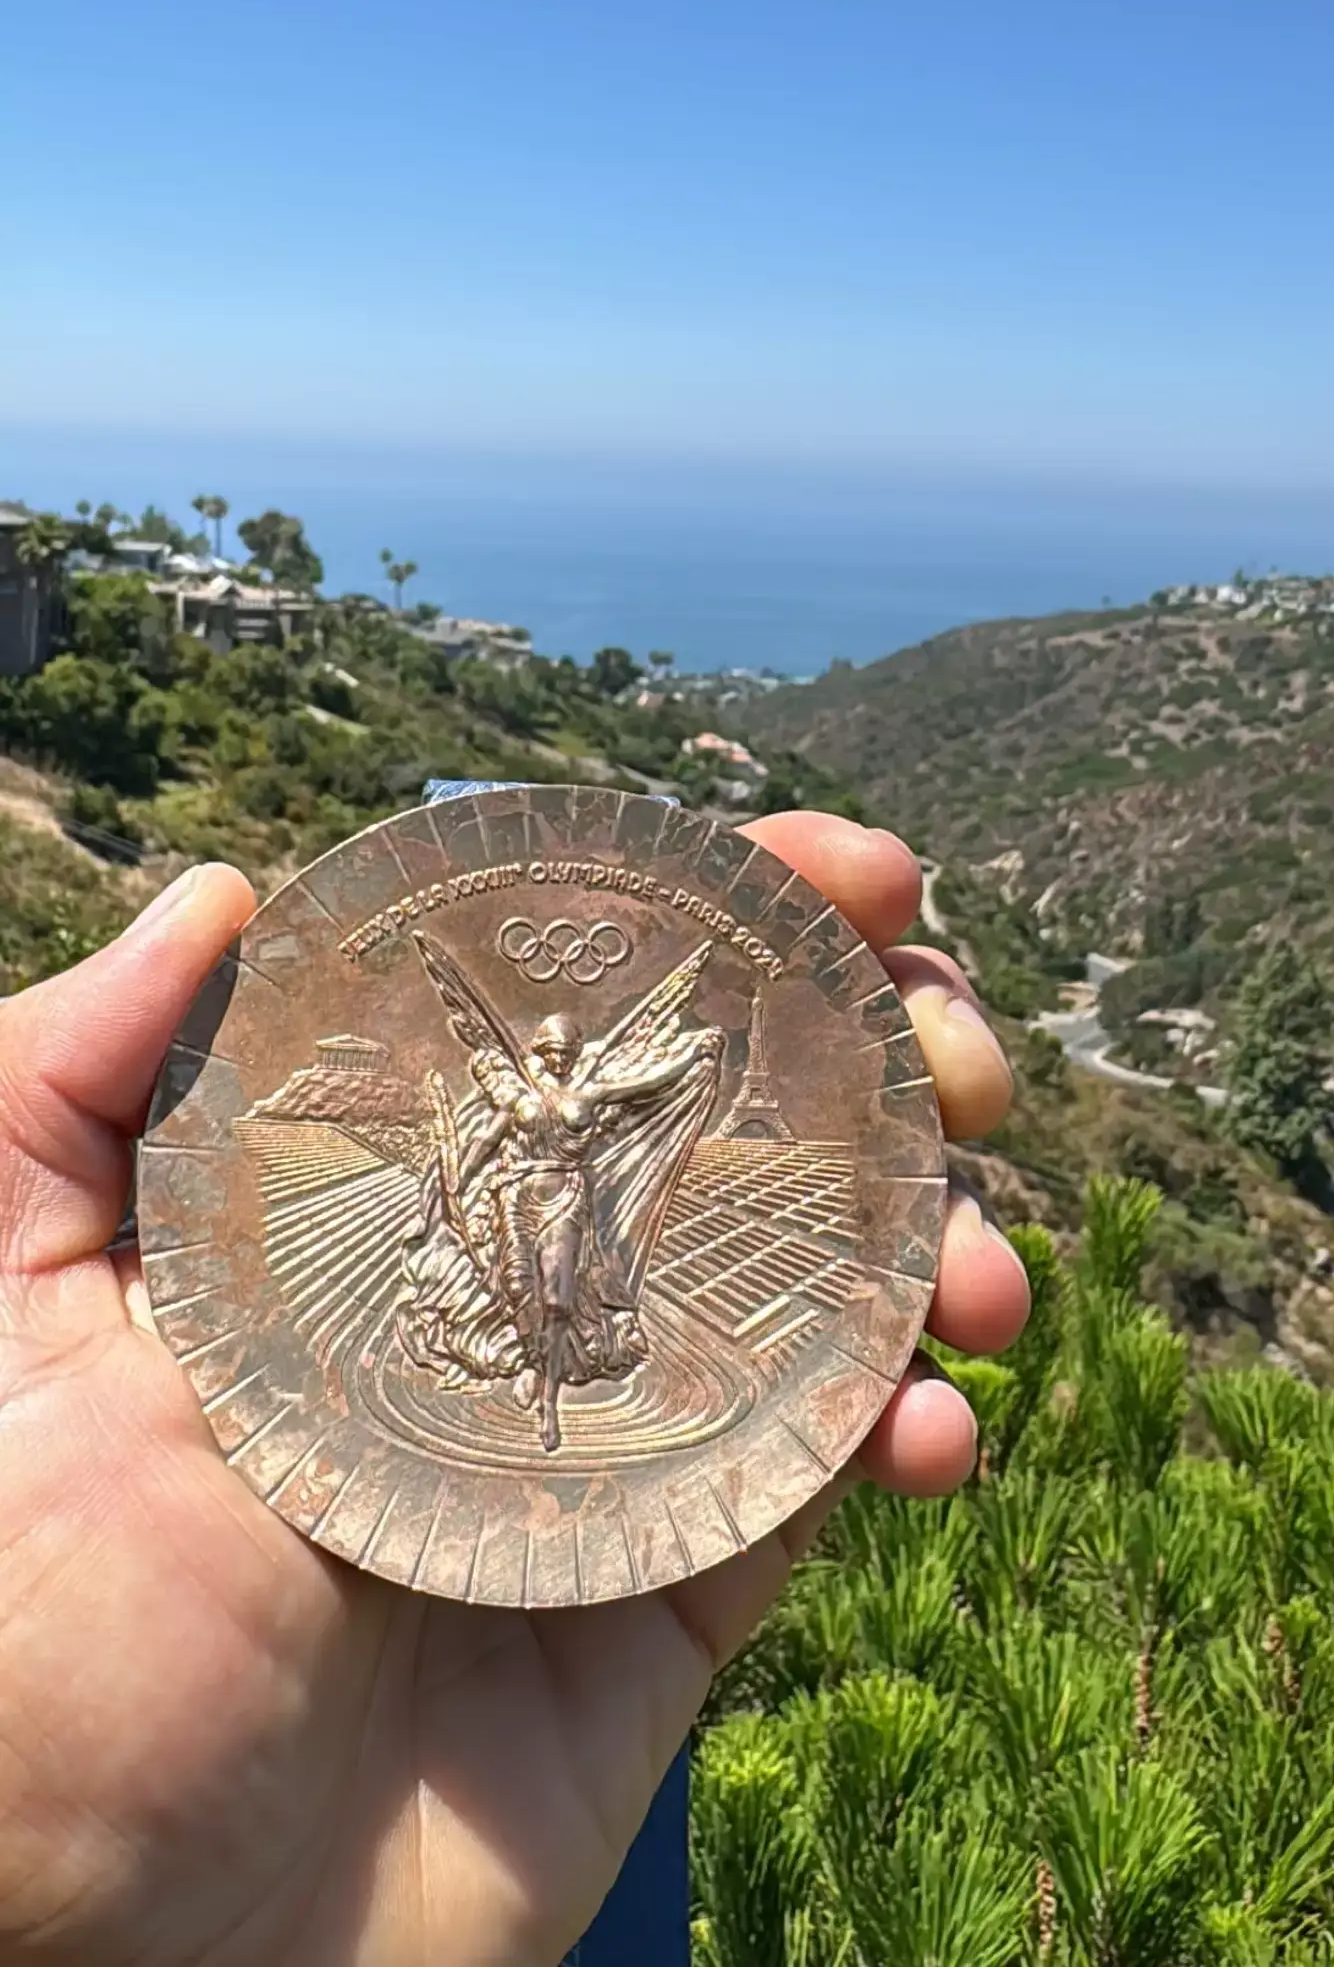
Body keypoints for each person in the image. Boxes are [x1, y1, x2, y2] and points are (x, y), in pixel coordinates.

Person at [0, 809, 1026, 1966]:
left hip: (570, 1205)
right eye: (531, 1051)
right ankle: (529, 1379)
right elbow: (474, 1074)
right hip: (511, 1203)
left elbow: (652, 1082)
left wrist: (696, 1053)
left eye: (550, 1052)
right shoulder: (506, 1081)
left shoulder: (588, 1094)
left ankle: (549, 1382)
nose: (541, 1059)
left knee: (567, 1293)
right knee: (518, 1290)